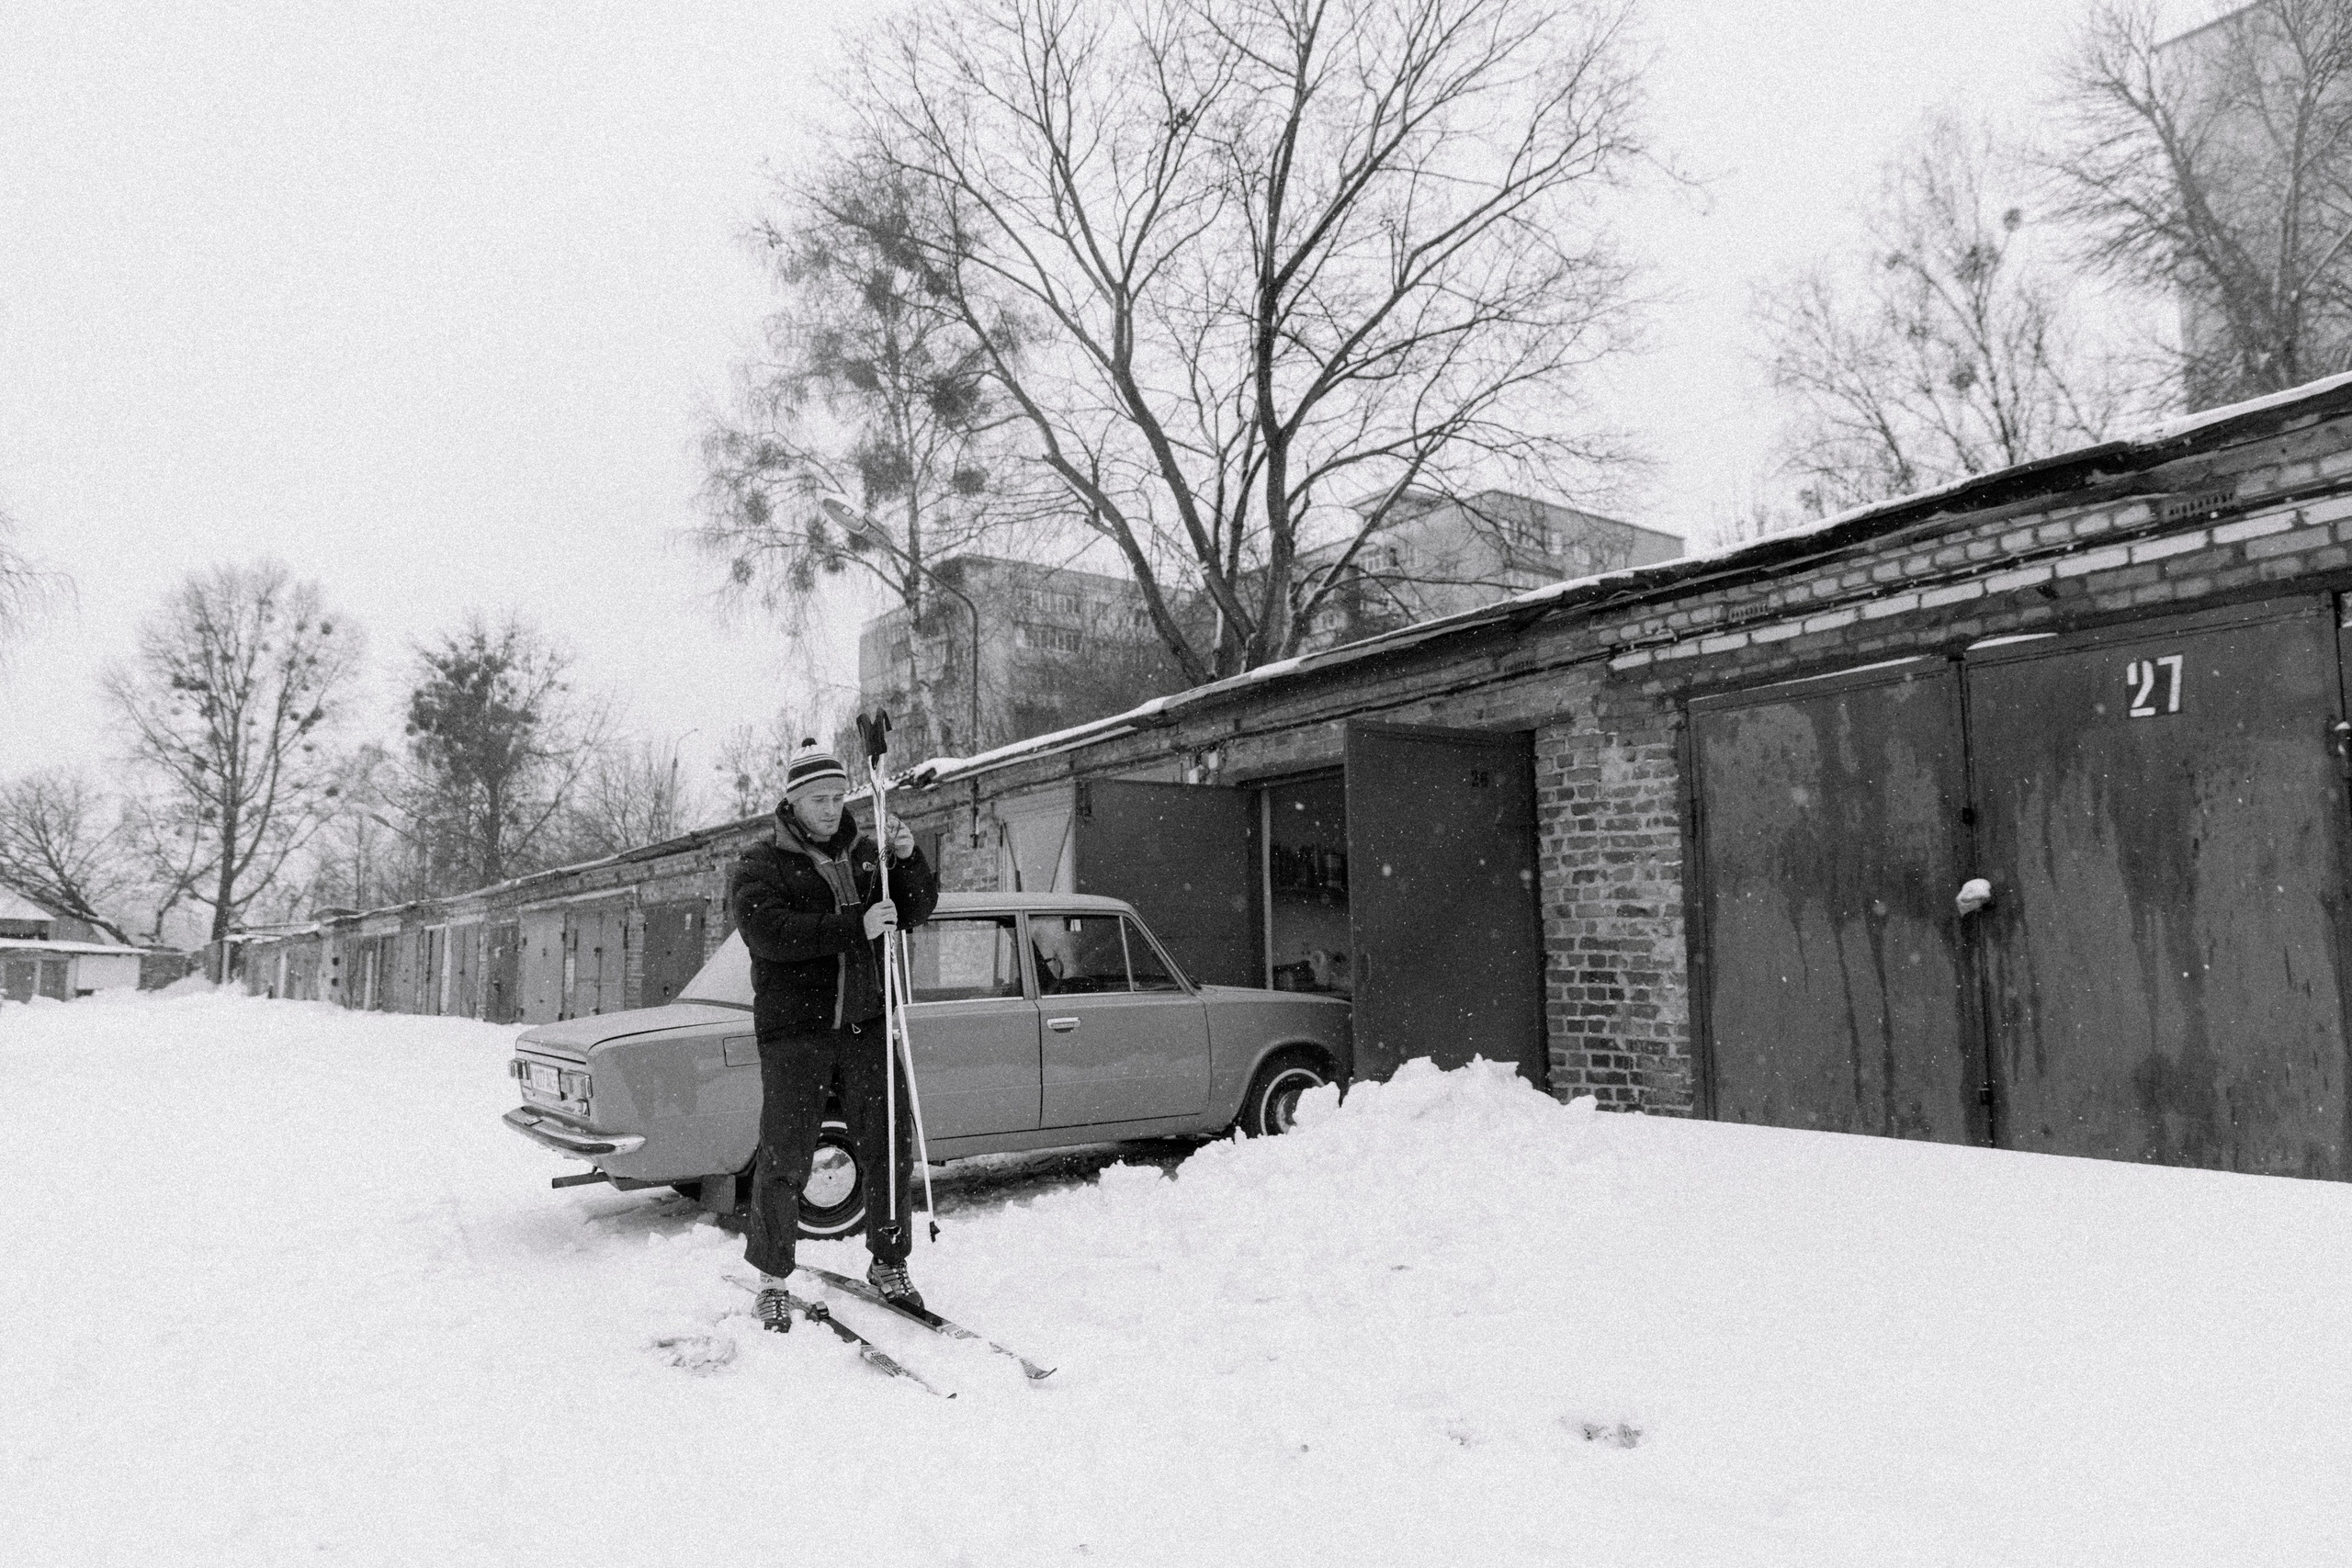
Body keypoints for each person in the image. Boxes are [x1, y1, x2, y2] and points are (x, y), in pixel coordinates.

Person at [729, 739, 939, 1325]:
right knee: (787, 1154)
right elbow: (771, 933)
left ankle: (889, 1260)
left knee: (889, 1141)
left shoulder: (866, 852)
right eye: (817, 798)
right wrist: (857, 926)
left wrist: (908, 858)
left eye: (835, 796)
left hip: (866, 1024)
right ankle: (772, 1277)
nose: (829, 808)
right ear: (792, 800)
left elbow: (917, 908)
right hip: (797, 1032)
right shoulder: (761, 863)